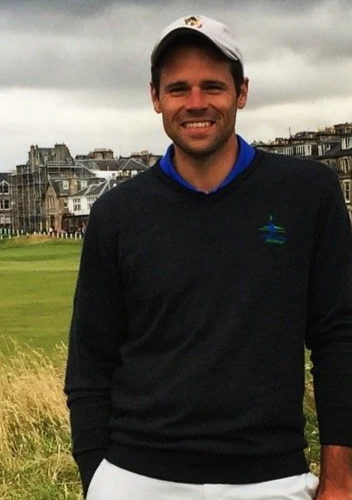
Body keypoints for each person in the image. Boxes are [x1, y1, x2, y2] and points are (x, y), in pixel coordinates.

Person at [64, 14, 352, 500]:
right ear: (155, 97)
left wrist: (341, 482)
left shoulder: (309, 193)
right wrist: (97, 480)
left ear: (242, 91)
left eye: (212, 86)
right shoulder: (117, 213)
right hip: (136, 478)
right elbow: (90, 365)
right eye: (178, 89)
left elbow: (339, 339)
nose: (196, 104)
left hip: (271, 478)